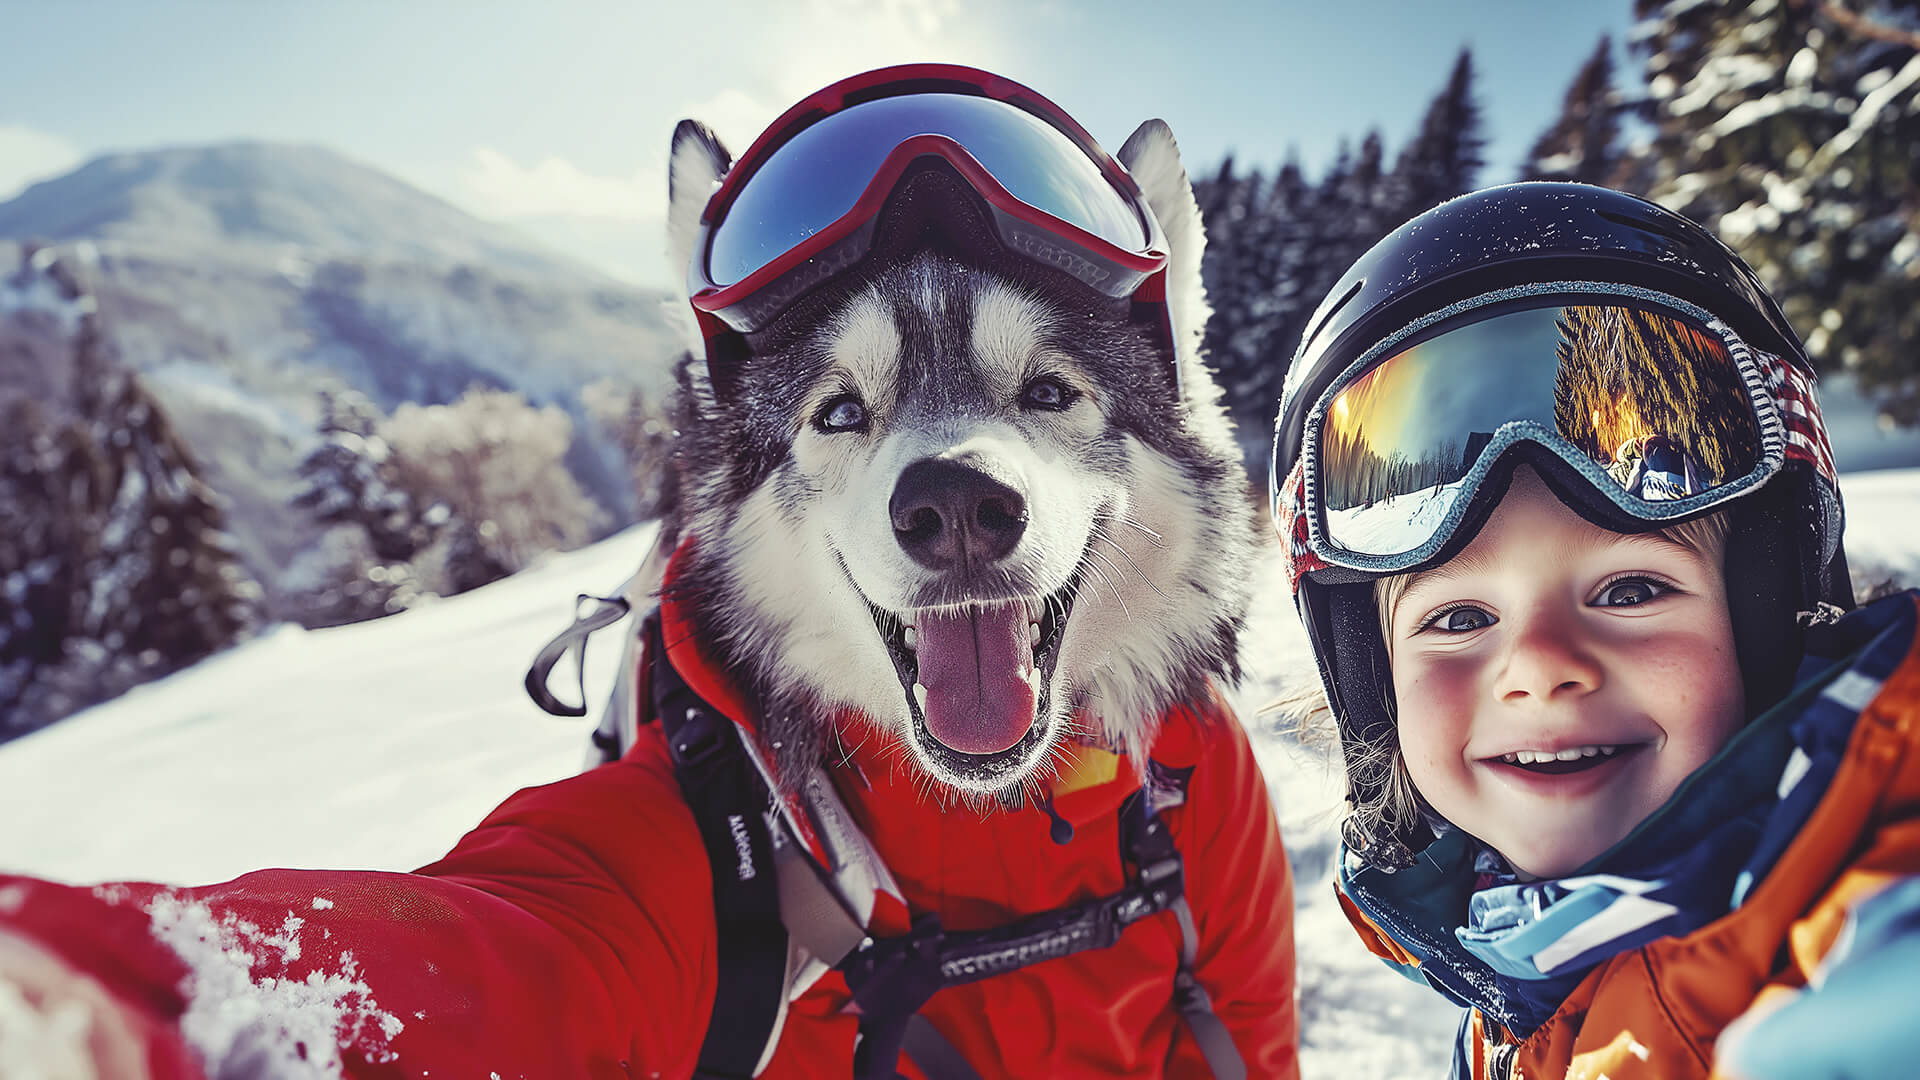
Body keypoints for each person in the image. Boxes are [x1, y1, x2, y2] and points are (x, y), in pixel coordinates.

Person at [0, 65, 1297, 1080]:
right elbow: (532, 953)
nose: (953, 488)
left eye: (1054, 393)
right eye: (839, 415)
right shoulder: (722, 798)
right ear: (745, 496)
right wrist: (114, 1016)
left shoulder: (1195, 781)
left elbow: (1250, 1048)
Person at [1270, 181, 1920, 1080]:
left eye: (1629, 591)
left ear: (1773, 613)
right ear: (1369, 685)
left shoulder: (1852, 944)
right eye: (1460, 618)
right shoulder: (1514, 975)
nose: (1539, 669)